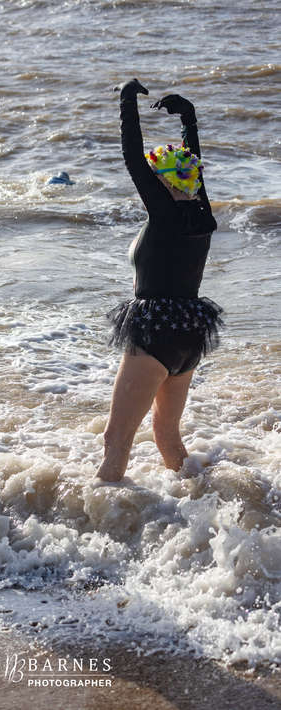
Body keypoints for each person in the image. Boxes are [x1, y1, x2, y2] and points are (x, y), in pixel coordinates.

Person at [96, 78, 222, 483]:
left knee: (117, 438)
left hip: (154, 335)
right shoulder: (200, 213)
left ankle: (105, 526)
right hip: (189, 336)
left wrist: (126, 100)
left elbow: (132, 158)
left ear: (164, 180)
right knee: (166, 434)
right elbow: (191, 161)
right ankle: (204, 499)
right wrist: (188, 118)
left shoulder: (165, 212)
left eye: (156, 176)